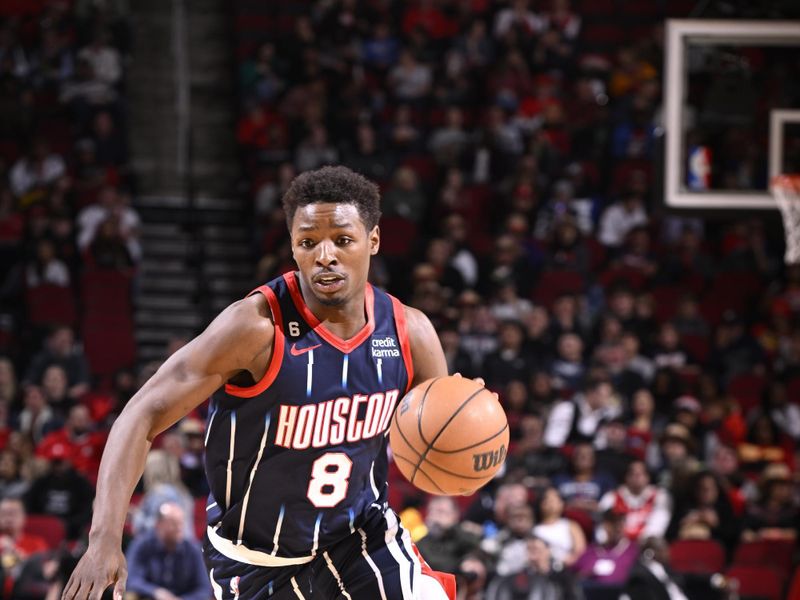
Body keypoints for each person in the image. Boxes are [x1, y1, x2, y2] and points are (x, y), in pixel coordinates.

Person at [63, 166, 467, 599]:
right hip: (255, 560)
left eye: (343, 240)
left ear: (373, 240)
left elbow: (438, 440)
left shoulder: (411, 333)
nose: (325, 255)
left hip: (360, 539)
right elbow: (141, 414)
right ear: (293, 247)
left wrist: (467, 438)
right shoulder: (255, 328)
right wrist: (104, 538)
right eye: (308, 242)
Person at [125, 502, 211, 600]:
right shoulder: (142, 545)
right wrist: (156, 592)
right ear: (158, 524)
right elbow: (132, 580)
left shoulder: (193, 549)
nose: (179, 528)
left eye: (181, 523)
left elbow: (204, 589)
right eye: (173, 523)